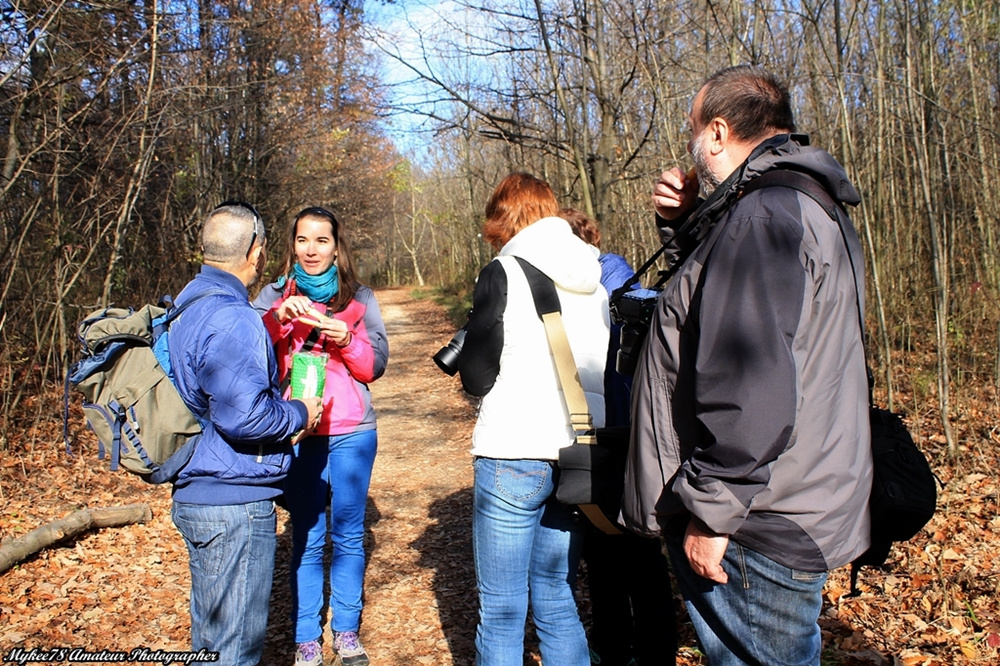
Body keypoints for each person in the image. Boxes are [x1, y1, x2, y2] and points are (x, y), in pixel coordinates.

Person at [621, 65, 873, 665]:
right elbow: (730, 306)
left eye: (692, 130)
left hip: (757, 518)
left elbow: (749, 381)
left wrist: (712, 513)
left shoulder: (762, 218)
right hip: (790, 494)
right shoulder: (793, 201)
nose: (689, 146)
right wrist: (687, 223)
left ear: (717, 131)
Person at [457, 173, 609, 666]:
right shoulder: (593, 275)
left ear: (503, 218)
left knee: (502, 610)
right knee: (557, 597)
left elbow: (477, 378)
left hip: (514, 450)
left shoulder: (502, 272)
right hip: (578, 453)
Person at [168, 201, 324, 665]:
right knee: (234, 648)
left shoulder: (186, 303)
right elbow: (246, 418)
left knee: (211, 643)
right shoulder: (232, 317)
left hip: (198, 488)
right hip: (232, 501)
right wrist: (299, 412)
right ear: (255, 252)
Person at [253, 206, 389, 666]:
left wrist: (346, 340)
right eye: (303, 240)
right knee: (307, 536)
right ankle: (306, 637)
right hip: (297, 431)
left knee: (349, 536)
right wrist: (275, 321)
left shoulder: (359, 297)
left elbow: (375, 367)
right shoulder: (271, 295)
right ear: (292, 245)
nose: (311, 250)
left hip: (352, 431)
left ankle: (347, 632)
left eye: (322, 241)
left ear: (337, 246)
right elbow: (248, 359)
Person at [561, 208, 678, 666]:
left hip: (631, 437)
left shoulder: (617, 281)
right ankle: (613, 650)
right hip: (590, 433)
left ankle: (654, 654)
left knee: (642, 556)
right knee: (602, 556)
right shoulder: (572, 285)